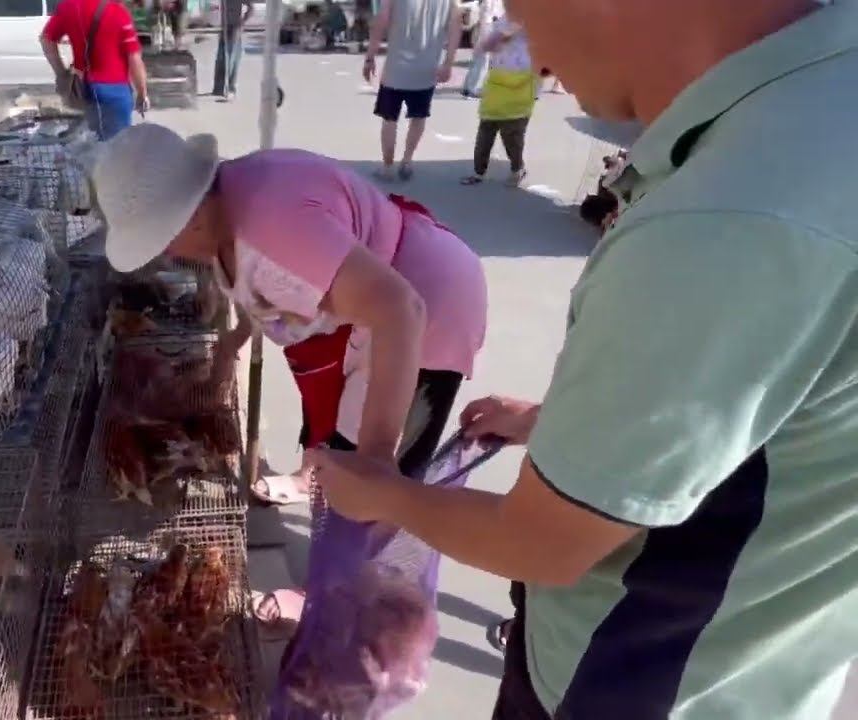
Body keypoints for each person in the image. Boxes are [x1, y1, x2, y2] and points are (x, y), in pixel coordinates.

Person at [307, 1, 858, 718]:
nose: (534, 59)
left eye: (523, 13)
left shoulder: (727, 219)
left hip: (634, 684)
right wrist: (556, 425)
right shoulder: (820, 100)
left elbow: (543, 543)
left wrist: (383, 494)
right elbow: (760, 406)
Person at [92, 123, 487, 626]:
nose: (167, 254)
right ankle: (335, 569)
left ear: (191, 212)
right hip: (373, 304)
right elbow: (257, 285)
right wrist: (231, 345)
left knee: (368, 485)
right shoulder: (228, 202)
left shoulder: (272, 226)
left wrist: (376, 458)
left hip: (426, 306)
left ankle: (339, 598)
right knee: (339, 462)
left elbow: (401, 309)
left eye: (163, 239)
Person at [364, 0, 463, 181]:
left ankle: (387, 167)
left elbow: (381, 21)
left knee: (389, 118)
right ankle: (407, 160)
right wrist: (448, 63)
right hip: (426, 69)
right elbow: (455, 27)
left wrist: (370, 56)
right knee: (418, 117)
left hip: (395, 69)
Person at [40, 0, 150, 139]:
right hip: (115, 90)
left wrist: (61, 72)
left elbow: (46, 39)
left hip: (84, 88)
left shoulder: (68, 6)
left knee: (94, 140)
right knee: (118, 142)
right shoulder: (118, 12)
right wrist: (142, 93)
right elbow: (134, 59)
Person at [460, 14, 536, 187]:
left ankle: (517, 169)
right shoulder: (509, 15)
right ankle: (478, 172)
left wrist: (495, 39)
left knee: (512, 135)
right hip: (499, 81)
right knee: (486, 130)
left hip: (520, 83)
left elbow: (492, 41)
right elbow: (489, 44)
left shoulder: (533, 17)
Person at [213, 0, 254, 99]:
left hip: (235, 27)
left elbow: (251, 8)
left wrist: (242, 22)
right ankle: (219, 87)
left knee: (232, 58)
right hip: (225, 27)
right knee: (221, 57)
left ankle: (231, 88)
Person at [462, 0, 503, 97]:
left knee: (478, 60)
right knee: (482, 60)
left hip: (486, 28)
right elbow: (486, 16)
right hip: (486, 28)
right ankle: (473, 88)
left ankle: (468, 87)